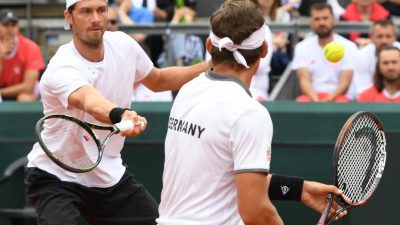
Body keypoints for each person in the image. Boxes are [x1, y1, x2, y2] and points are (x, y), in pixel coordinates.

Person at [157, 1, 346, 224]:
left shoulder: (187, 90)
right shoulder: (249, 113)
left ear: (209, 46)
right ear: (265, 49)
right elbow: (255, 211)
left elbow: (220, 177)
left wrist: (298, 190)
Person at [25, 1, 207, 225]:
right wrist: (121, 114)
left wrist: (207, 68)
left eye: (101, 10)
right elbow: (89, 100)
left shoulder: (123, 45)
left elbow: (158, 80)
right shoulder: (61, 66)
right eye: (85, 12)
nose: (96, 18)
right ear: (68, 17)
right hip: (55, 176)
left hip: (108, 176)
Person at [293, 2, 358, 102]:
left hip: (338, 97)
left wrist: (329, 99)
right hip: (312, 97)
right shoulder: (301, 47)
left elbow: (345, 81)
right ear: (311, 23)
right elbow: (304, 79)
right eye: (317, 19)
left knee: (342, 102)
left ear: (333, 20)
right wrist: (315, 100)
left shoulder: (349, 46)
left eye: (325, 18)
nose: (321, 23)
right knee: (301, 101)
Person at [0, 8, 45, 102]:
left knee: (24, 98)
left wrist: (1, 92)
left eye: (13, 25)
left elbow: (28, 87)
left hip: (23, 93)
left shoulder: (30, 47)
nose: (10, 28)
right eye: (5, 25)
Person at [351, 19, 400, 98]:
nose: (384, 41)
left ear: (395, 37)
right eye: (379, 36)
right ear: (371, 37)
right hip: (372, 101)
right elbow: (361, 89)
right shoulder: (361, 56)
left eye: (388, 36)